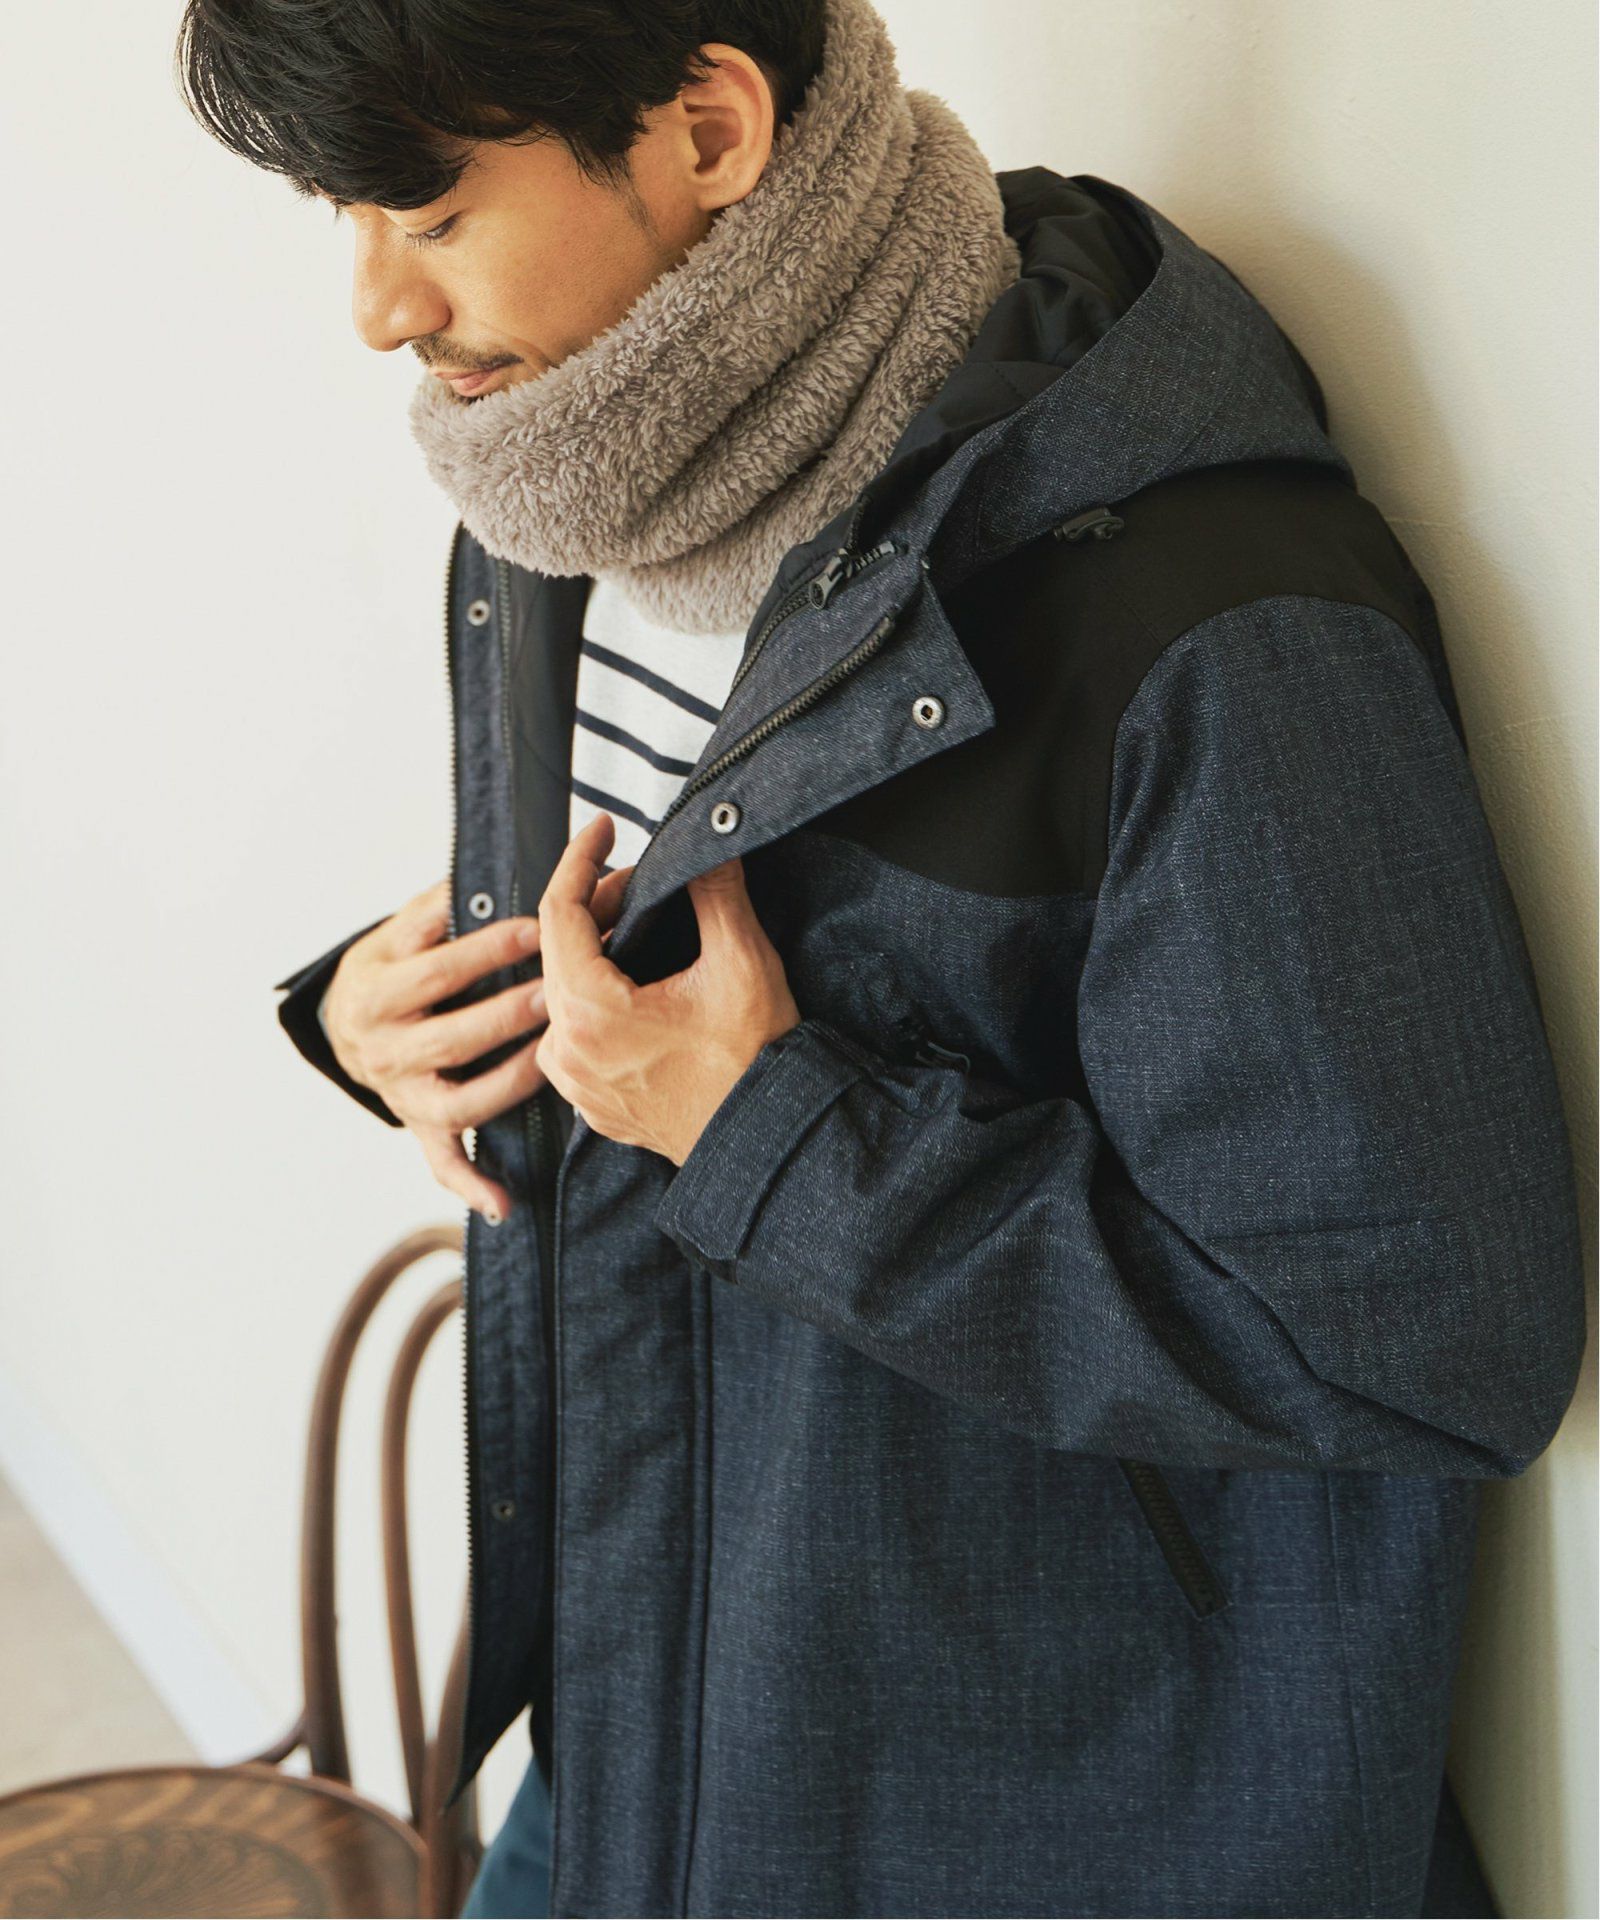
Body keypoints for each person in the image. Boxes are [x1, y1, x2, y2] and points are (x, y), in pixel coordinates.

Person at [176, 1, 1587, 1913]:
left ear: (708, 130)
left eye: (426, 212)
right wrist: (405, 1011)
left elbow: (1428, 1353)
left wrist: (772, 1139)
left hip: (1011, 1829)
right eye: (340, 212)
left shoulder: (1213, 621)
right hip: (628, 1739)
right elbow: (690, 976)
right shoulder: (554, 494)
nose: (376, 309)